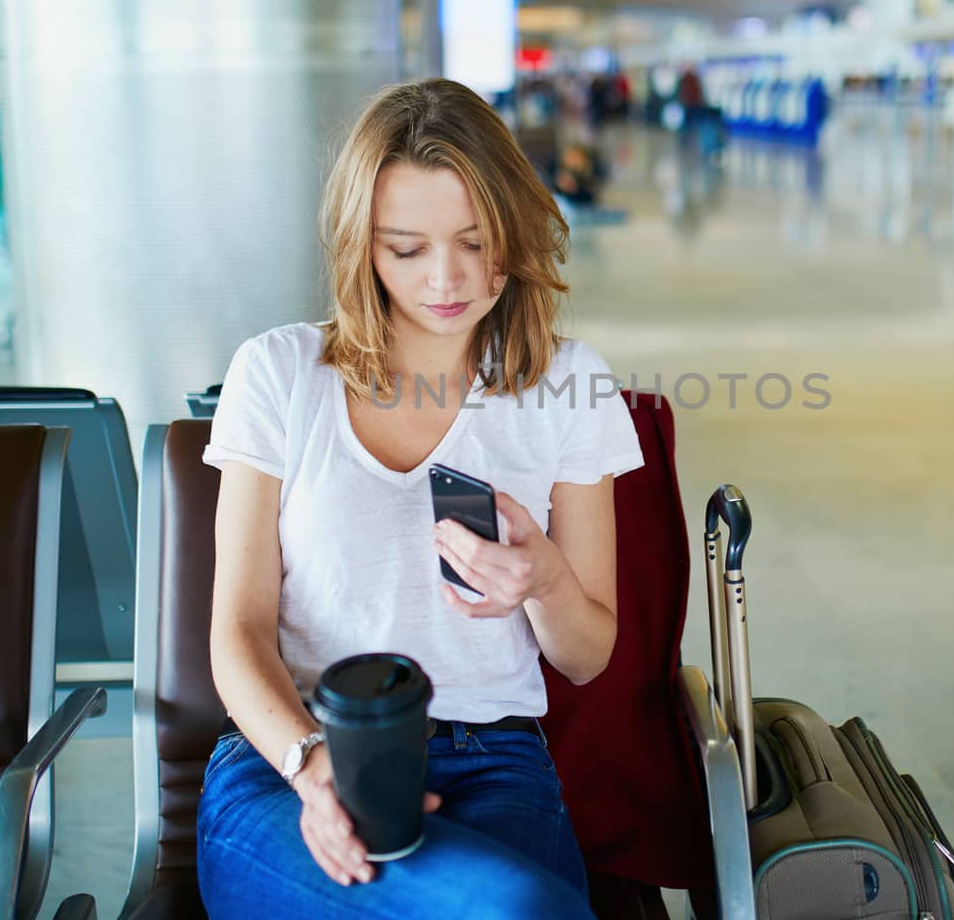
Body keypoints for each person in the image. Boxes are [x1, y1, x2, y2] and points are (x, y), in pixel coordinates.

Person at [197, 78, 641, 918]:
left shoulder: (567, 385)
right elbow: (238, 631)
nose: (448, 279)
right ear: (361, 247)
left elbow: (587, 654)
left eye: (476, 241)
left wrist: (545, 579)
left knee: (510, 906)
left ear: (514, 230)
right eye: (406, 248)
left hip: (491, 758)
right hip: (294, 756)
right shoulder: (279, 374)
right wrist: (309, 761)